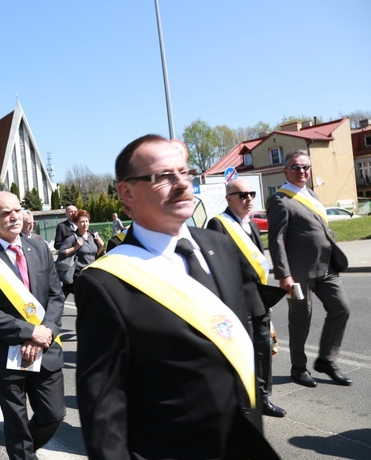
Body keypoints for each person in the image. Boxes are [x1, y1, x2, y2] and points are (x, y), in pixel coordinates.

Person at [74, 134, 278, 459]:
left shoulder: (221, 247)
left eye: (185, 173)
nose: (183, 185)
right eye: (165, 177)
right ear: (127, 192)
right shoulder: (106, 283)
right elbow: (103, 407)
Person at [0, 191, 66, 460]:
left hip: (45, 347)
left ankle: (23, 451)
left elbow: (56, 295)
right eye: (5, 213)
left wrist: (44, 332)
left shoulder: (40, 247)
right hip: (5, 352)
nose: (13, 217)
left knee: (53, 415)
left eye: (17, 210)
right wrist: (29, 332)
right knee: (17, 423)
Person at [267, 149, 352, 387]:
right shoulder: (280, 200)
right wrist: (284, 274)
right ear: (285, 171)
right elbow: (277, 240)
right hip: (298, 274)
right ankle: (298, 368)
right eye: (295, 167)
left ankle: (326, 359)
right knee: (300, 321)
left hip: (326, 267)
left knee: (341, 309)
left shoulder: (310, 194)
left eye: (305, 167)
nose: (301, 171)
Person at [207, 178, 287, 418]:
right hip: (235, 302)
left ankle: (262, 398)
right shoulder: (218, 224)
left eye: (251, 194)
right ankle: (239, 401)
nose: (249, 198)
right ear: (229, 198)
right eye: (242, 195)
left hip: (259, 300)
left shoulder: (251, 224)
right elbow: (214, 266)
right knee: (239, 354)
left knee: (263, 351)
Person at [56, 209, 104, 294]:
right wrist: (76, 247)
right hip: (79, 275)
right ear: (76, 224)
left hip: (92, 274)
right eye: (82, 222)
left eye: (86, 221)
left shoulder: (92, 236)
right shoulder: (72, 237)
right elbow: (61, 252)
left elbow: (96, 255)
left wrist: (101, 246)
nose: (85, 224)